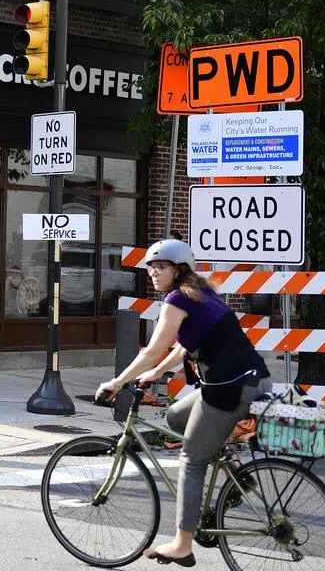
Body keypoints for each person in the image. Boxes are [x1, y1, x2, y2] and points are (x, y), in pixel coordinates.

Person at [95, 238, 271, 567]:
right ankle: (236, 475)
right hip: (252, 380)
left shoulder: (178, 298)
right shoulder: (200, 295)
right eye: (151, 268)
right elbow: (183, 347)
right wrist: (156, 374)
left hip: (229, 389)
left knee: (191, 460)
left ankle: (182, 543)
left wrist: (117, 382)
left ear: (179, 270)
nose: (153, 273)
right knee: (176, 417)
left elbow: (153, 348)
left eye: (160, 267)